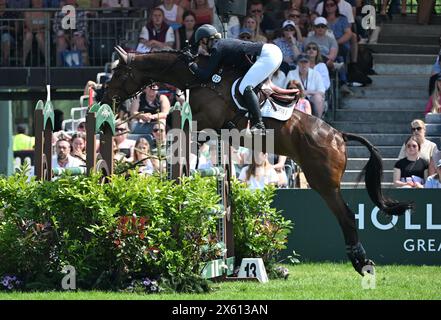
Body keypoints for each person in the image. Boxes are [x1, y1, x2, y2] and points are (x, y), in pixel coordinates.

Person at [185, 24, 283, 134]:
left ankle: (259, 124)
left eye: (201, 44)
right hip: (270, 53)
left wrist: (190, 64)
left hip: (268, 55)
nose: (202, 48)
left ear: (204, 39)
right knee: (243, 85)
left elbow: (205, 75)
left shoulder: (217, 48)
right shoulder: (221, 46)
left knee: (245, 87)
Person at [284, 53, 325, 118]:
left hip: (312, 99)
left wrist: (308, 92)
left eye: (306, 62)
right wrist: (300, 94)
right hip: (297, 99)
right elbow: (286, 89)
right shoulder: (291, 73)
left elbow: (322, 92)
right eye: (301, 62)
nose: (303, 65)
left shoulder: (316, 74)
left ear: (309, 63)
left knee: (318, 97)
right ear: (298, 63)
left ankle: (318, 121)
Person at [53, 0, 88, 66]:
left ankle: (85, 67)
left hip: (77, 35)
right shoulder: (59, 12)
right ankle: (59, 68)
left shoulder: (81, 11)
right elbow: (56, 27)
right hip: (62, 36)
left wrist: (75, 36)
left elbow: (83, 28)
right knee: (61, 42)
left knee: (79, 41)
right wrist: (63, 35)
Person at [23, 0, 48, 66]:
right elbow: (29, 25)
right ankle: (23, 61)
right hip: (31, 32)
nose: (38, 1)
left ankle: (47, 60)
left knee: (39, 36)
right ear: (32, 1)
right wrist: (41, 26)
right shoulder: (28, 12)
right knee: (28, 36)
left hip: (43, 33)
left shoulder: (46, 12)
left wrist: (34, 27)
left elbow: (48, 25)